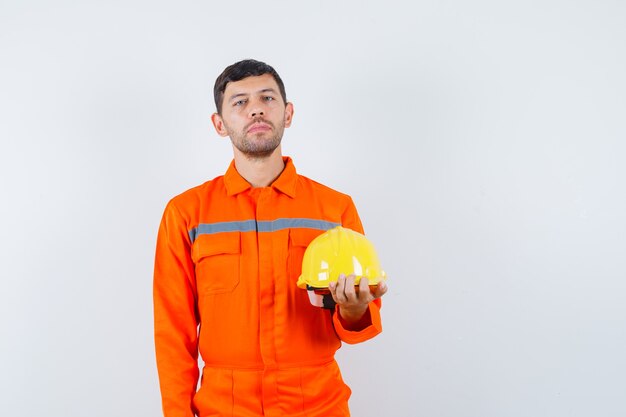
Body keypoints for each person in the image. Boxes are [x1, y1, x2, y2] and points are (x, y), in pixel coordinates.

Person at [153, 59, 388, 417]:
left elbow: (359, 320)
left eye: (267, 97)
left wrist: (355, 310)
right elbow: (173, 331)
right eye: (239, 102)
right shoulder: (187, 213)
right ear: (219, 124)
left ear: (288, 113)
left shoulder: (334, 209)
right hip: (224, 408)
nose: (256, 108)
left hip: (317, 405)